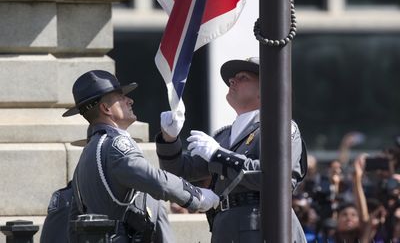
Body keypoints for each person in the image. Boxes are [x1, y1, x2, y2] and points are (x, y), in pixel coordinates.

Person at [156, 56, 307, 243]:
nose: (232, 81)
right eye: (233, 78)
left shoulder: (279, 127)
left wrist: (218, 155)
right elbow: (179, 171)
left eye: (243, 77)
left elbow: (277, 179)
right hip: (225, 227)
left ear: (266, 88)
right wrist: (169, 139)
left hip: (262, 227)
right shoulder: (223, 136)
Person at [64, 70, 219, 243]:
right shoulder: (115, 144)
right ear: (106, 108)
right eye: (121, 97)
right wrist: (197, 196)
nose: (130, 100)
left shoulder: (88, 152)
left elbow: (74, 220)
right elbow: (155, 179)